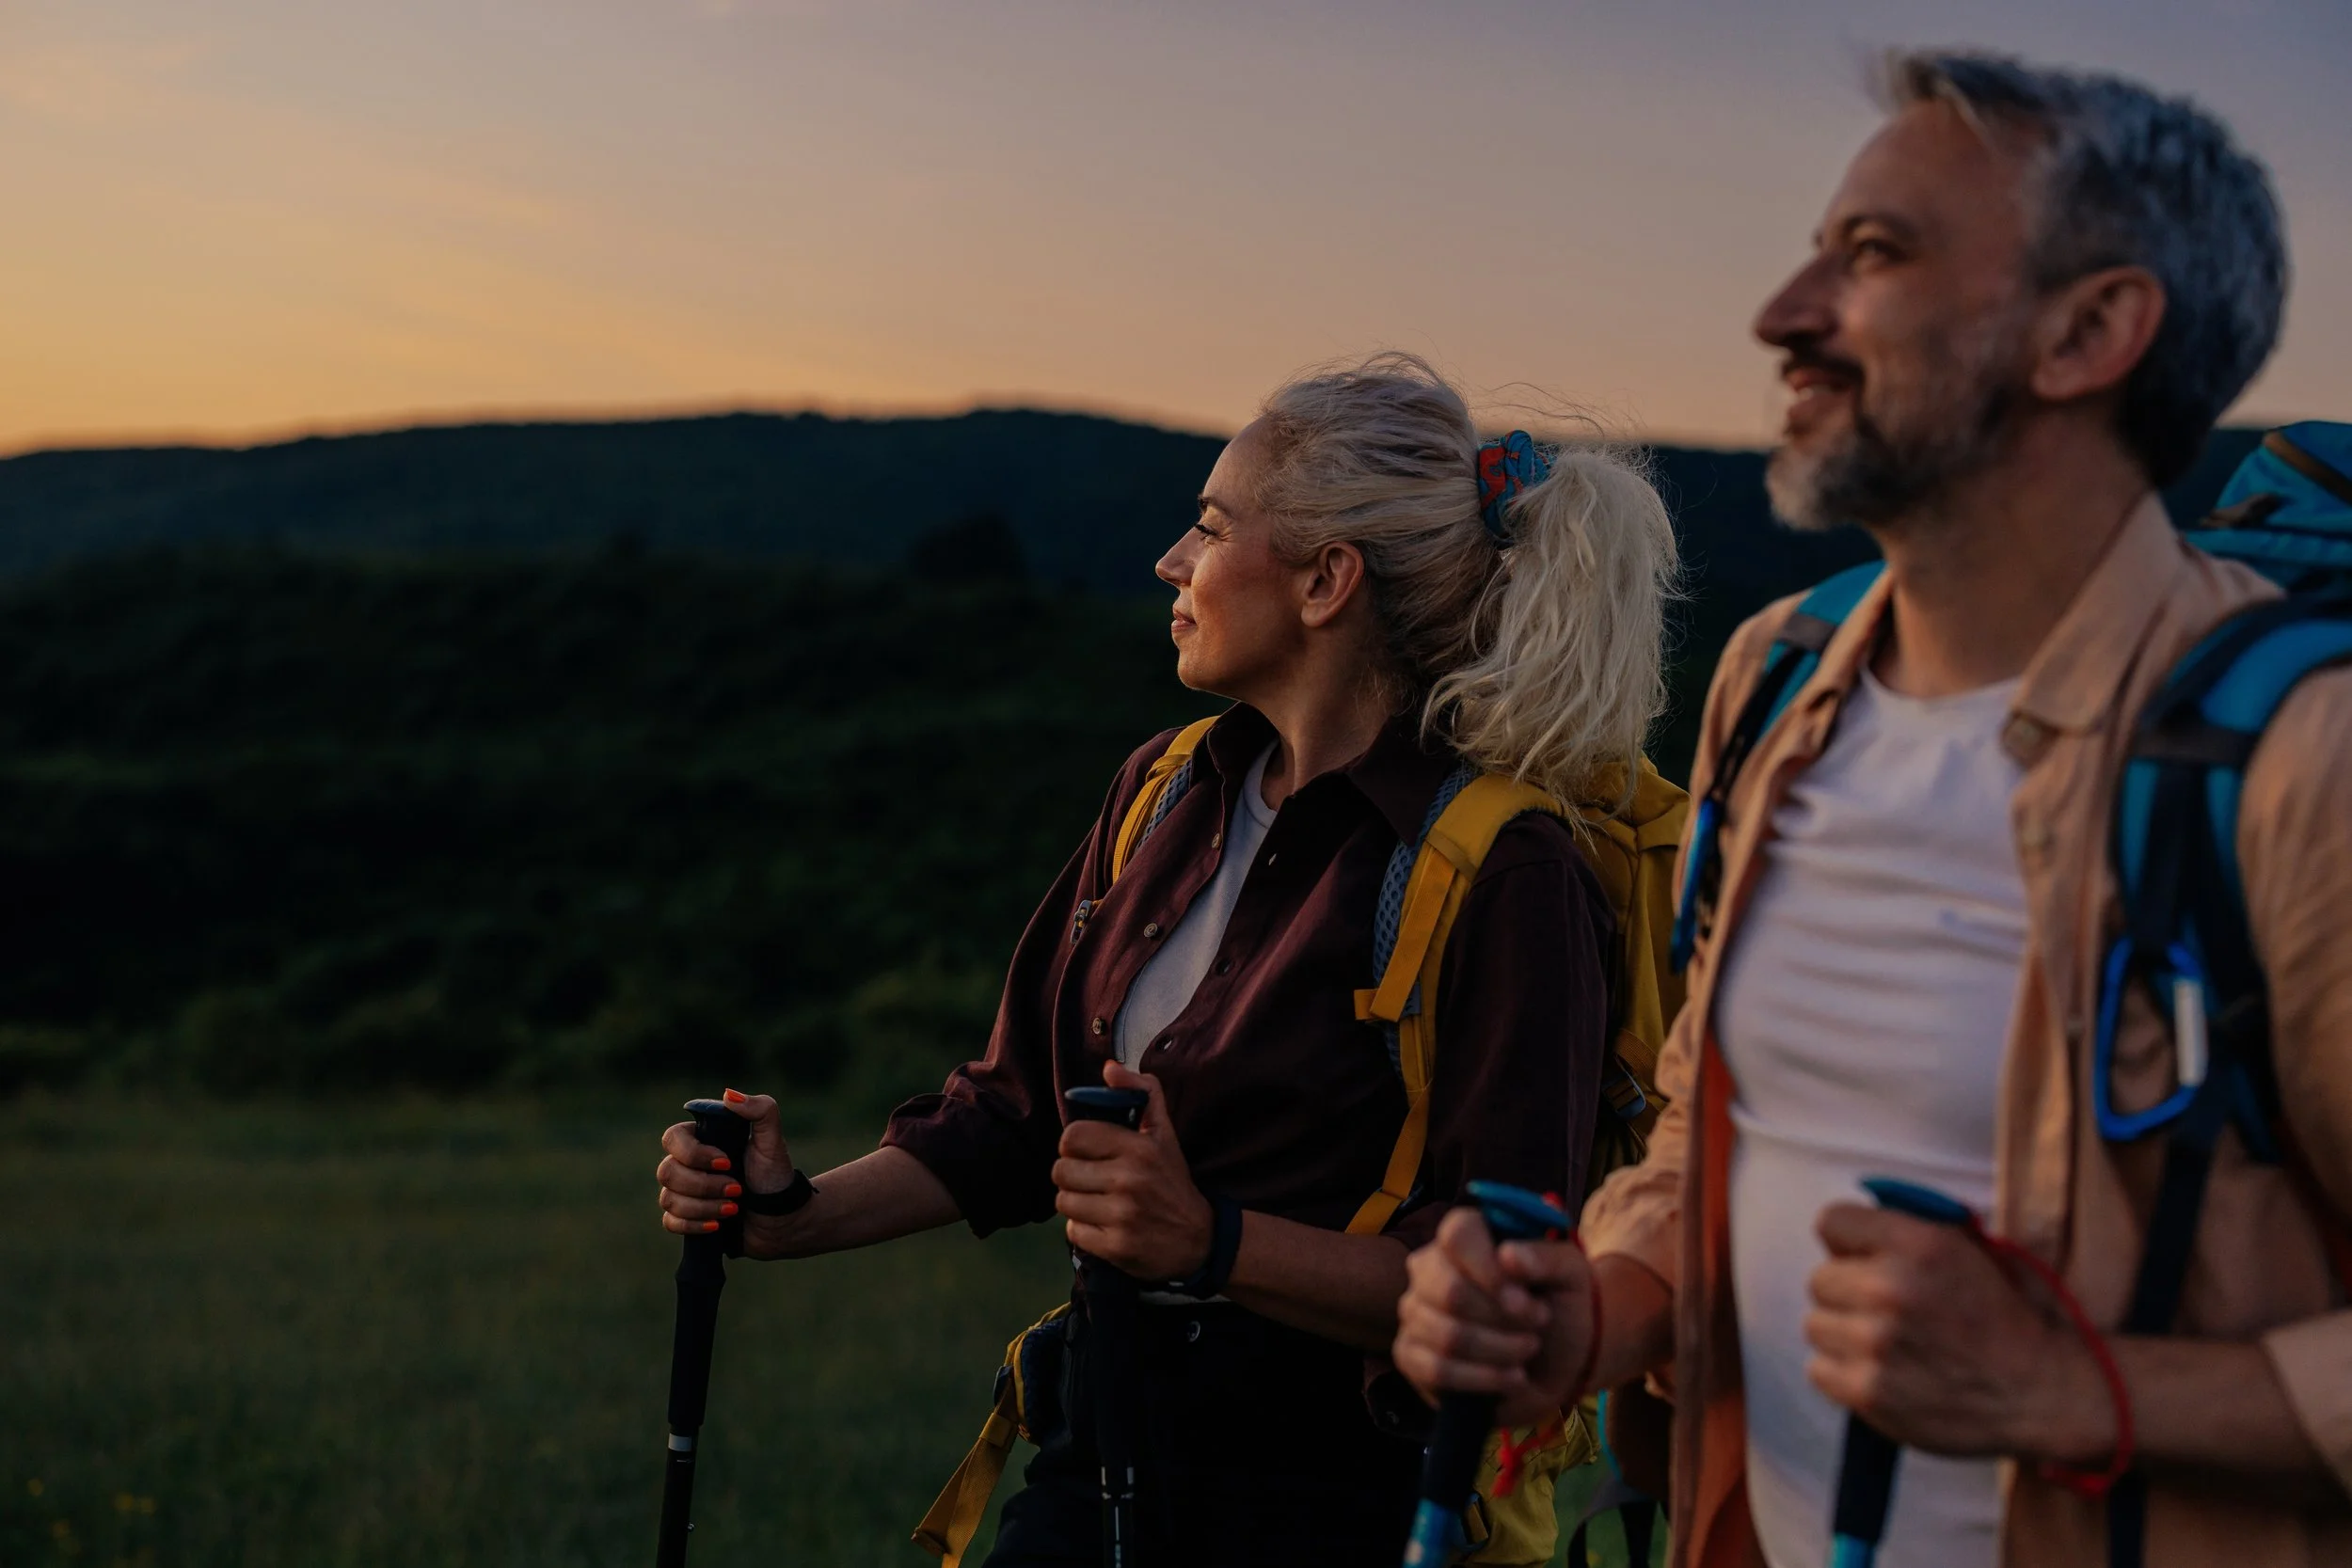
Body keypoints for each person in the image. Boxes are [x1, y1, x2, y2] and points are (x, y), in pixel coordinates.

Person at [1392, 50, 2352, 1568]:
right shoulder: (1777, 682)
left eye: (1876, 254)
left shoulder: (2299, 758)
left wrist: (2066, 1391)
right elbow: (1715, 1128)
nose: (1783, 312)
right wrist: (1593, 1311)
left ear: (2090, 331)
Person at [653, 353, 1679, 1565]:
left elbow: (1507, 1277)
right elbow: (1017, 1111)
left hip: (1348, 1501)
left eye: (1211, 526)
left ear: (1326, 581)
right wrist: (795, 1212)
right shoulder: (1165, 789)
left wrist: (1211, 1241)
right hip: (1101, 1446)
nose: (1171, 562)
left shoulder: (1508, 871)